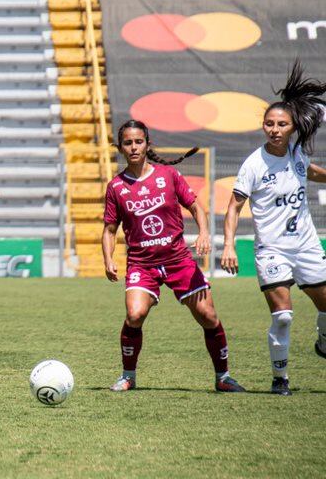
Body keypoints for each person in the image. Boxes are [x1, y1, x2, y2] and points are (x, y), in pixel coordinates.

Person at [102, 120, 245, 393]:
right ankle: (128, 375)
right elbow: (109, 229)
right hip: (142, 264)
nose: (134, 147)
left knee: (208, 316)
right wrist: (108, 259)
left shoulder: (168, 175)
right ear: (120, 148)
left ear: (147, 144)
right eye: (128, 143)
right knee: (135, 314)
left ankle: (223, 377)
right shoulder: (116, 187)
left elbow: (196, 207)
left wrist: (203, 233)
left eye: (139, 141)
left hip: (178, 260)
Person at [221, 61, 326, 396]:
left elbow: (307, 171)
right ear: (263, 127)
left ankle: (323, 343)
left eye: (282, 123)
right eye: (269, 123)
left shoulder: (296, 152)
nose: (275, 129)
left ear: (293, 126)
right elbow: (234, 206)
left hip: (307, 246)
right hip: (272, 249)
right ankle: (280, 379)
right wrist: (228, 246)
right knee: (283, 317)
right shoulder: (253, 164)